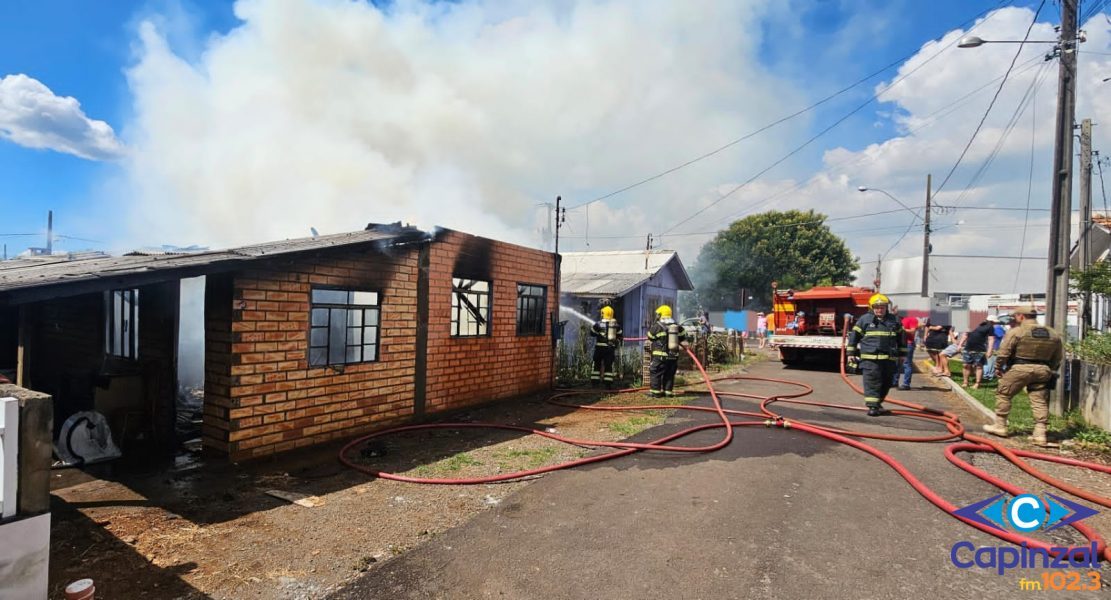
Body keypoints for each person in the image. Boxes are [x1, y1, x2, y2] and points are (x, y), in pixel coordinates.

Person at [981, 304, 1063, 447]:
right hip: (1043, 370)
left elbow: (1004, 352)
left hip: (1020, 368)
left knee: (1004, 394)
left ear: (1020, 316)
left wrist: (998, 367)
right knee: (1039, 401)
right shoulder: (1053, 333)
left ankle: (1000, 425)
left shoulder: (1017, 331)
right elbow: (1058, 357)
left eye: (1015, 316)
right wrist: (1049, 369)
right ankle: (1040, 434)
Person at [846, 293, 906, 416]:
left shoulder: (894, 320)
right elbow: (854, 336)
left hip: (888, 359)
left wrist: (902, 354)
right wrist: (850, 352)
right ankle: (872, 407)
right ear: (871, 307)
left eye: (882, 307)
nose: (879, 309)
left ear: (886, 307)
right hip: (870, 359)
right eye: (877, 307)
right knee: (872, 382)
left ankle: (878, 404)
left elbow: (901, 338)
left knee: (887, 382)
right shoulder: (864, 320)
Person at [646, 304, 689, 397]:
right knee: (669, 374)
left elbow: (650, 336)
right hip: (673, 355)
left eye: (658, 314)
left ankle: (655, 392)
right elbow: (683, 336)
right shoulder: (676, 325)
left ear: (661, 314)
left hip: (660, 355)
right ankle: (668, 392)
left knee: (655, 371)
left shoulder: (657, 326)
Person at [590, 305, 623, 389]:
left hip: (599, 348)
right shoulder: (615, 325)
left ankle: (595, 383)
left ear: (602, 314)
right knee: (608, 366)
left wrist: (599, 333)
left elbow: (592, 333)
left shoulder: (598, 324)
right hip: (609, 349)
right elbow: (620, 334)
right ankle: (608, 384)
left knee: (597, 364)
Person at [961, 318, 997, 389]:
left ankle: (977, 384)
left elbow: (991, 339)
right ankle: (965, 382)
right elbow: (965, 334)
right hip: (968, 348)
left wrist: (989, 350)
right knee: (966, 365)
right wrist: (960, 344)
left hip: (980, 349)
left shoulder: (989, 326)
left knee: (979, 366)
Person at [895, 313, 920, 390]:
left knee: (906, 364)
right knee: (896, 364)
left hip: (908, 344)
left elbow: (912, 331)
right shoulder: (897, 319)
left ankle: (906, 384)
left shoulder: (912, 319)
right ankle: (894, 382)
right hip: (898, 344)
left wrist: (901, 329)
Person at [982, 315, 1006, 381]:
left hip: (994, 348)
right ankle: (986, 375)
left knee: (990, 362)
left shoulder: (997, 328)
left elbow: (1003, 337)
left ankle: (988, 376)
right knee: (987, 362)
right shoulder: (989, 327)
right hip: (989, 347)